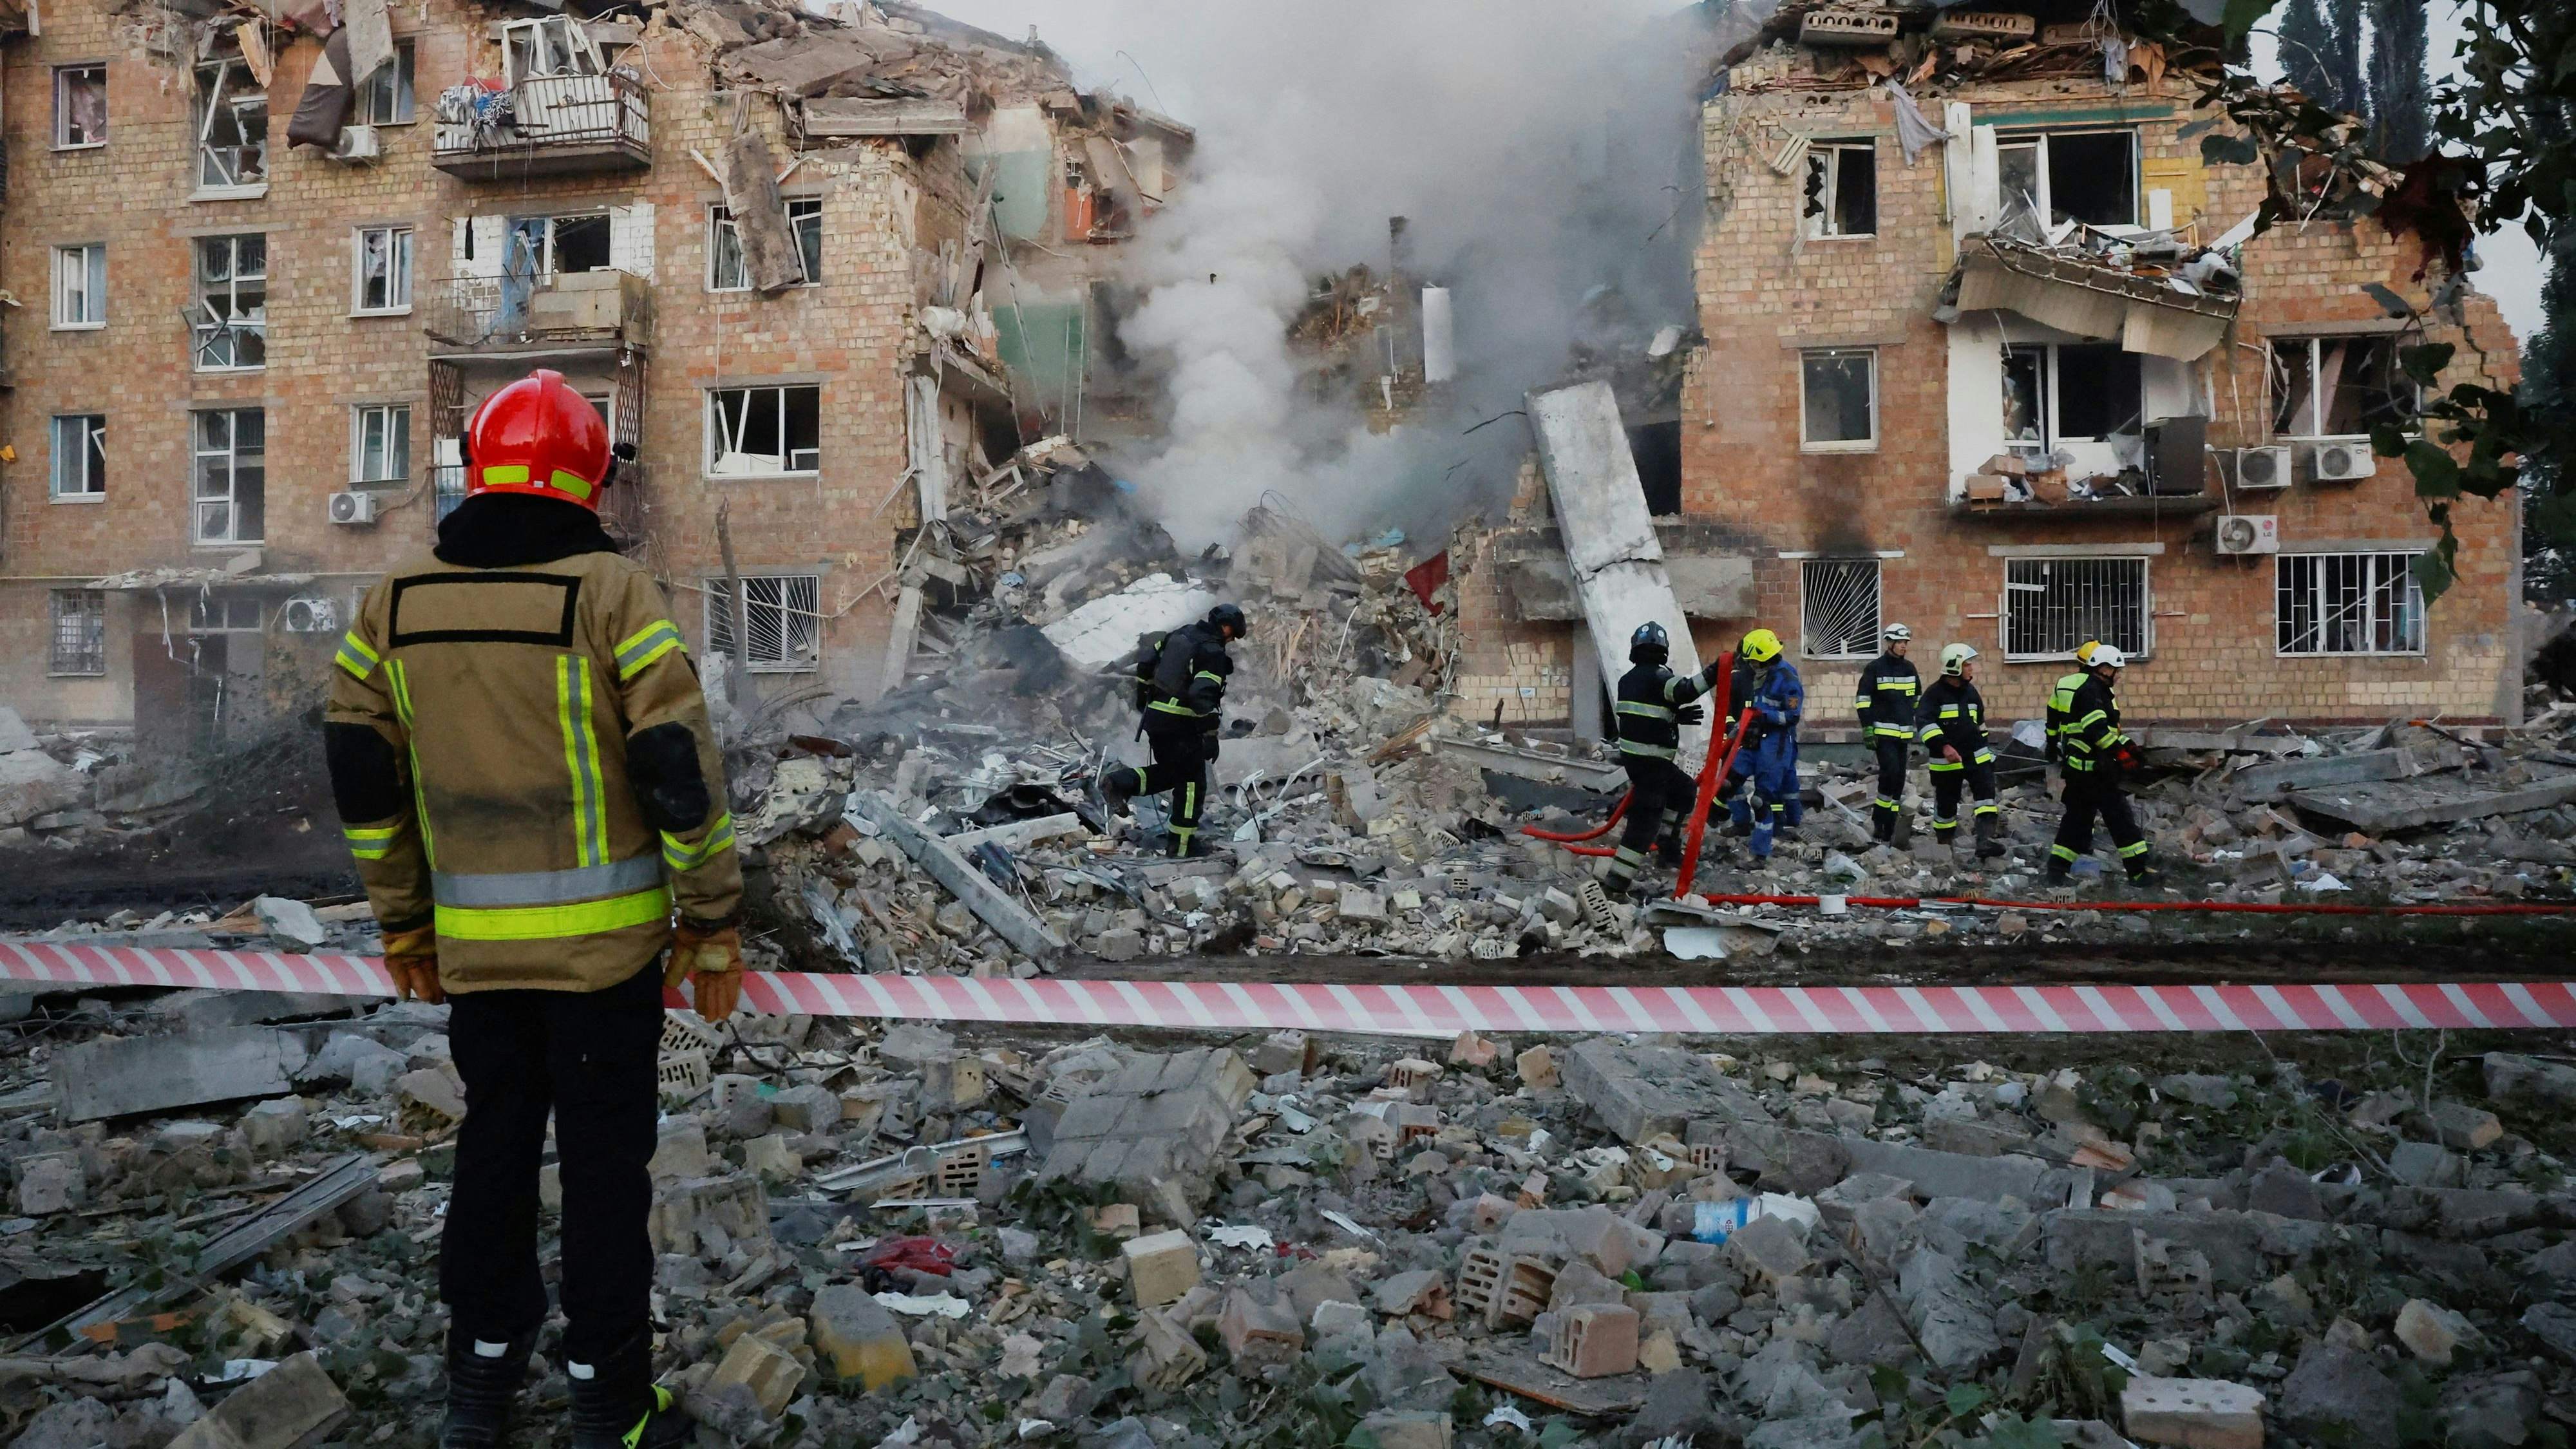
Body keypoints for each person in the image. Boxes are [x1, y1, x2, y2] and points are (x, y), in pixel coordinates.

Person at [325, 369, 742, 1449]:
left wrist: (403, 922)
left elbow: (363, 781)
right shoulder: (611, 598)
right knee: (606, 1175)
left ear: (479, 468)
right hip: (604, 967)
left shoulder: (396, 603)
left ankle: (483, 1383)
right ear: (590, 480)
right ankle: (610, 1404)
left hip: (472, 958)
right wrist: (712, 919)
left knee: (492, 1152)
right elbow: (676, 774)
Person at [1097, 603, 1245, 858]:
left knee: (1173, 773)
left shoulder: (1180, 634)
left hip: (1156, 720)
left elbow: (1145, 661)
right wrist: (1210, 734)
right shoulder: (1211, 652)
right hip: (1181, 724)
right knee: (1192, 784)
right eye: (1232, 636)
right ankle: (1182, 847)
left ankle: (1121, 783)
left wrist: (1143, 695)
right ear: (1226, 627)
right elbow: (1202, 695)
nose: (1230, 642)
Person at [1601, 620, 1722, 895]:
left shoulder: (1628, 680)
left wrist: (1674, 716)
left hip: (1640, 761)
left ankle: (1668, 845)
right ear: (1663, 652)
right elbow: (1687, 691)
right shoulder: (1660, 678)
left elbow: (1643, 716)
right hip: (1652, 765)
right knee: (1644, 824)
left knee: (1684, 790)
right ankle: (1615, 884)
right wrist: (1717, 669)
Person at [2048, 644, 2155, 885]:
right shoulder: (2091, 693)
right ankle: (2138, 873)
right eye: (2116, 670)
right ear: (2104, 669)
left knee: (2077, 823)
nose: (2119, 675)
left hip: (2084, 772)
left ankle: (2055, 871)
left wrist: (2128, 746)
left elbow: (2108, 731)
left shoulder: (2097, 691)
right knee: (2121, 820)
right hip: (2094, 772)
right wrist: (2122, 755)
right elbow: (2097, 732)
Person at [1916, 643, 2007, 859]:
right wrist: (1944, 746)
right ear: (1954, 667)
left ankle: (1985, 842)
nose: (1971, 669)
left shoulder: (1971, 692)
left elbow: (1980, 724)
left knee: (1986, 797)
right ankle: (1944, 849)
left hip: (1976, 755)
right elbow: (1924, 725)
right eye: (1967, 665)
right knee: (1946, 806)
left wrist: (1986, 747)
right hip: (1947, 761)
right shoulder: (1933, 695)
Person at [1727, 628, 1803, 862]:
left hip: (1776, 745)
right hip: (1754, 740)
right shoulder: (1760, 675)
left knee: (1761, 801)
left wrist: (1763, 716)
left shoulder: (1788, 680)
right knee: (1727, 782)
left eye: (1752, 661)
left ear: (1762, 660)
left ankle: (1761, 853)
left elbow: (1792, 716)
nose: (1749, 665)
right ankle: (1738, 823)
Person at [1852, 623, 1919, 842]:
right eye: (1900, 643)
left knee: (1899, 779)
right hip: (1883, 733)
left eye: (1905, 643)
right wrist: (1868, 728)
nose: (1903, 647)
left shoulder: (1910, 669)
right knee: (1889, 773)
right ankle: (1880, 821)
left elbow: (1917, 700)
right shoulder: (1875, 669)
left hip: (1904, 735)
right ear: (1889, 643)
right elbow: (1863, 700)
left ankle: (1891, 824)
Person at [2043, 639, 2103, 776]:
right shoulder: (2102, 687)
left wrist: (2051, 744)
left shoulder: (2063, 683)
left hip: (2068, 742)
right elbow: (2112, 720)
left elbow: (2052, 717)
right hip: (2096, 742)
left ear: (2079, 662)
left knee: (2073, 779)